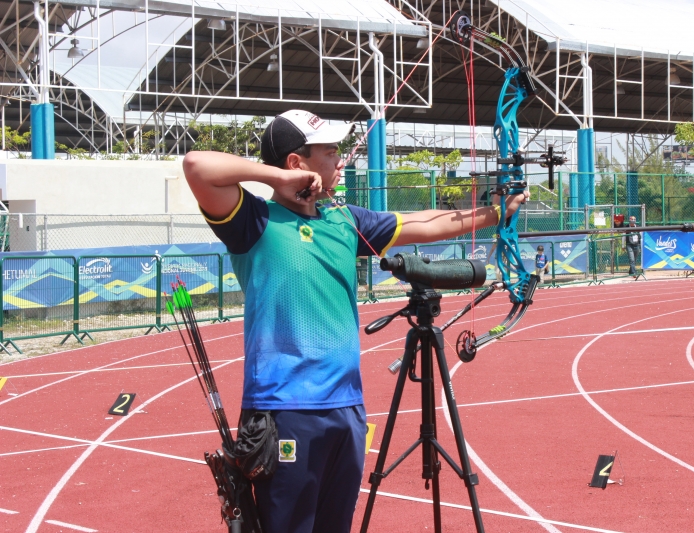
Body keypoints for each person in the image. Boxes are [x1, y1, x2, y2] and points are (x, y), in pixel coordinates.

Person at [182, 109, 529, 533]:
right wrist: (276, 179)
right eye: (330, 152)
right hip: (285, 409)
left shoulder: (345, 221)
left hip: (346, 408)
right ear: (297, 163)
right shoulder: (253, 222)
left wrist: (495, 213)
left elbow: (425, 223)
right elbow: (196, 166)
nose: (341, 161)